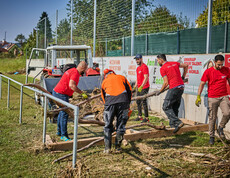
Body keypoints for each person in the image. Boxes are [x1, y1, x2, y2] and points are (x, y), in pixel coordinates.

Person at [196, 54, 230, 145]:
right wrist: (198, 96)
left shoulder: (226, 70)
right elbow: (202, 84)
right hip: (212, 97)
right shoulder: (208, 71)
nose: (220, 66)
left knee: (227, 113)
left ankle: (221, 127)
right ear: (214, 62)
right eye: (218, 64)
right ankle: (212, 136)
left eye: (222, 64)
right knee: (212, 117)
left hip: (224, 96)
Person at [52, 61, 88, 141]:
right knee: (65, 113)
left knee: (62, 112)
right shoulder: (75, 73)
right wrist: (81, 93)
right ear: (82, 68)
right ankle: (64, 135)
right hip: (61, 93)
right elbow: (72, 85)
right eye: (85, 69)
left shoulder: (72, 70)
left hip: (57, 92)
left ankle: (59, 131)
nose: (85, 71)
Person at [101, 69, 132, 153]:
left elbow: (103, 96)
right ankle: (118, 147)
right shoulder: (122, 78)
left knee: (107, 126)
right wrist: (128, 103)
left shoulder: (105, 81)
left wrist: (106, 105)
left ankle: (107, 149)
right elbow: (129, 90)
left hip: (109, 103)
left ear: (106, 75)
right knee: (121, 126)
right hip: (123, 102)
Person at [156, 54, 188, 133]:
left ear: (161, 60)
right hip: (181, 88)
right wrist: (183, 77)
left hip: (174, 88)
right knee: (174, 107)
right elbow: (186, 66)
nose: (157, 62)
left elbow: (166, 83)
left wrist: (160, 91)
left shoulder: (163, 68)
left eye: (158, 60)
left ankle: (178, 122)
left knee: (165, 106)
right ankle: (174, 126)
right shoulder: (174, 63)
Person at [133, 54, 150, 123]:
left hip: (144, 87)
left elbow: (146, 77)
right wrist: (135, 86)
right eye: (136, 59)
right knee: (138, 101)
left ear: (141, 59)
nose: (137, 61)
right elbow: (138, 78)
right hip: (139, 87)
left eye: (138, 59)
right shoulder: (138, 68)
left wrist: (142, 86)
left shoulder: (144, 67)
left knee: (144, 102)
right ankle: (140, 116)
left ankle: (146, 118)